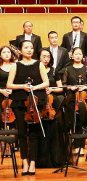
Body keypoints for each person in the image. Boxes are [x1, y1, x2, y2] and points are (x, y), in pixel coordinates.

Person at [7, 40, 50, 175]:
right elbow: (9, 85)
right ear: (20, 50)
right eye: (26, 47)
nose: (29, 50)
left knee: (34, 133)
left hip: (36, 101)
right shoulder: (15, 65)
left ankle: (32, 163)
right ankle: (24, 161)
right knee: (21, 133)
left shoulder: (39, 64)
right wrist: (23, 87)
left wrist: (34, 87)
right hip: (20, 101)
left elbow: (46, 82)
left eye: (31, 47)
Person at [61, 47, 87, 155]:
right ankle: (74, 145)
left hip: (84, 99)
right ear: (72, 56)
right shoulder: (67, 69)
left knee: (81, 121)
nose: (78, 56)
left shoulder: (86, 68)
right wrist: (71, 88)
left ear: (82, 56)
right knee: (72, 121)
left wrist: (84, 87)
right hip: (71, 99)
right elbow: (64, 84)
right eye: (76, 54)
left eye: (80, 54)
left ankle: (80, 146)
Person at [37, 48, 65, 168]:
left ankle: (55, 159)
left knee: (55, 129)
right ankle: (41, 160)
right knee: (41, 130)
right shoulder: (35, 69)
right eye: (43, 56)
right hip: (39, 102)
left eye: (48, 56)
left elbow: (61, 88)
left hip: (53, 104)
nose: (46, 58)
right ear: (39, 57)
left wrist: (52, 89)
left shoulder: (54, 71)